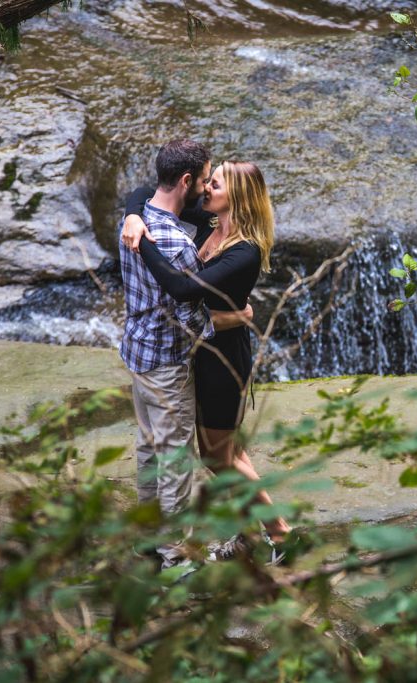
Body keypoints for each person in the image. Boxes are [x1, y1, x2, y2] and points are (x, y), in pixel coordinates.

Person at [120, 160, 291, 561]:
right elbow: (148, 192)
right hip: (202, 349)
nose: (205, 189)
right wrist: (132, 216)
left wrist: (141, 240)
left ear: (237, 197)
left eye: (214, 184)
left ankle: (280, 532)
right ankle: (251, 536)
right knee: (228, 453)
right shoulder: (213, 220)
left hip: (223, 361)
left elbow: (181, 288)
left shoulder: (245, 252)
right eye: (206, 182)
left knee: (218, 455)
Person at [118, 139, 213, 571]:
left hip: (137, 351)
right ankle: (175, 555)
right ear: (187, 181)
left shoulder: (133, 222)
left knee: (148, 449)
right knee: (175, 455)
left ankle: (145, 538)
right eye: (206, 181)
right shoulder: (176, 242)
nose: (208, 191)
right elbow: (192, 320)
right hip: (168, 362)